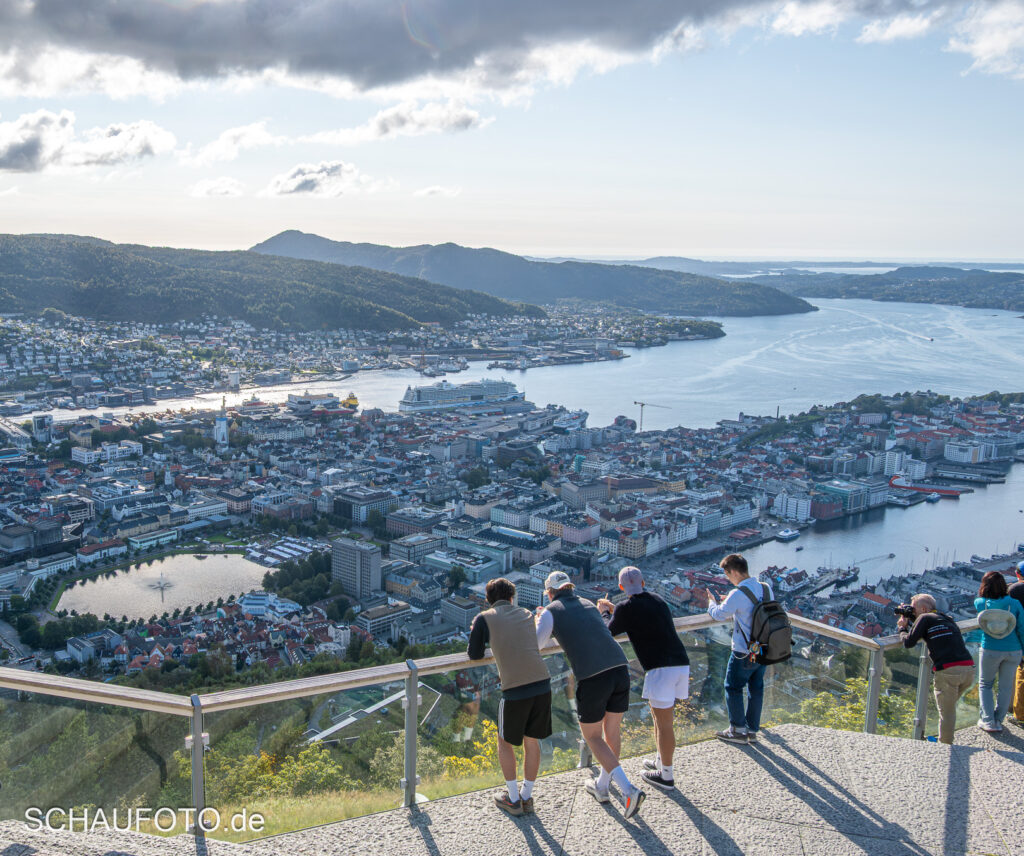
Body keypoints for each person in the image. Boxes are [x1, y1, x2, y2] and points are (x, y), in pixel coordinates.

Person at [535, 570, 646, 819]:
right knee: (612, 731)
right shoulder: (587, 603)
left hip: (593, 675)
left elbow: (536, 644)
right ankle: (602, 786)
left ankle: (628, 790)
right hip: (620, 666)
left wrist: (538, 620)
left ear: (550, 593)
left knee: (593, 736)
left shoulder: (551, 610)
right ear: (570, 587)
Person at [597, 566, 689, 791]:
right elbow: (639, 617)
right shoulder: (657, 599)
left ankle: (666, 775)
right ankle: (660, 761)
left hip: (660, 669)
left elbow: (608, 631)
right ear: (643, 583)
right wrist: (615, 610)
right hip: (680, 663)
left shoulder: (625, 608)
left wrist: (605, 612)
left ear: (621, 587)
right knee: (661, 719)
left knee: (664, 724)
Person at [467, 577, 552, 816]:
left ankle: (513, 799)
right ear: (512, 598)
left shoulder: (485, 618)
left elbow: (474, 654)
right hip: (542, 683)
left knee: (504, 741)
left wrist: (481, 633)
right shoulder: (525, 613)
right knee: (531, 741)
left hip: (515, 688)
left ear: (488, 600)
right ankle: (526, 796)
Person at [706, 553, 770, 744]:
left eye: (727, 574)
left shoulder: (737, 594)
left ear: (733, 571)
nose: (727, 578)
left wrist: (712, 602)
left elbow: (718, 614)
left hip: (744, 650)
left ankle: (737, 730)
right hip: (763, 648)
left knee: (732, 687)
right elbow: (751, 608)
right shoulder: (765, 588)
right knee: (756, 687)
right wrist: (731, 600)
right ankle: (752, 730)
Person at [897, 593, 975, 744]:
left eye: (913, 609)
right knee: (949, 708)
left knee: (947, 713)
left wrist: (902, 628)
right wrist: (913, 618)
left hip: (948, 671)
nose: (912, 612)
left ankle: (944, 747)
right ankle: (942, 741)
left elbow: (908, 643)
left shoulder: (924, 618)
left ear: (924, 608)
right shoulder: (946, 618)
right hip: (968, 668)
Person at [974, 570, 1024, 732]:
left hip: (990, 649)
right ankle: (999, 719)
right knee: (1006, 686)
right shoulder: (1014, 604)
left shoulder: (980, 603)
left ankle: (988, 721)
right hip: (1014, 650)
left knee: (986, 684)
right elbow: (1022, 628)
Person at [1010, 561, 1024, 723]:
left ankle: (1020, 716)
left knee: (1022, 677)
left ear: (1018, 574)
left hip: (1020, 638)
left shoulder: (1016, 589)